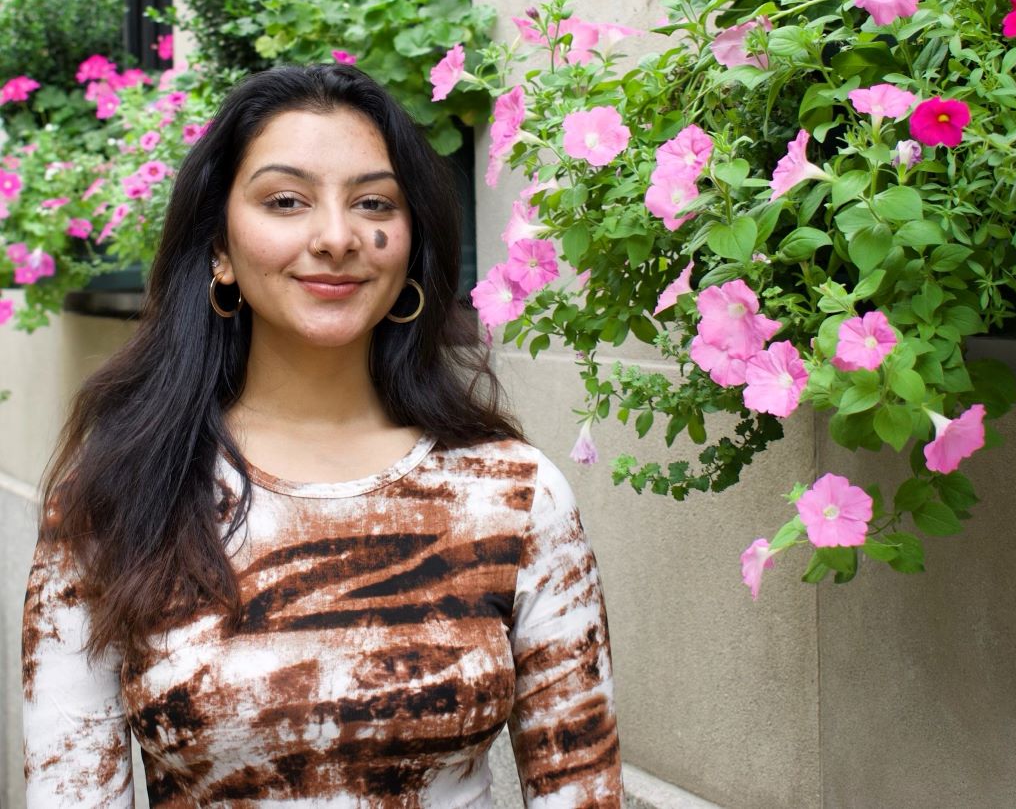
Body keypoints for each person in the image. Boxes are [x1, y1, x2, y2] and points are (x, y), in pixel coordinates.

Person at [22, 64, 622, 807]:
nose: (337, 238)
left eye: (372, 203)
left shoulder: (514, 494)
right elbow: (71, 789)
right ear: (219, 246)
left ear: (409, 245)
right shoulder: (116, 492)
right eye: (286, 201)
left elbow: (583, 789)